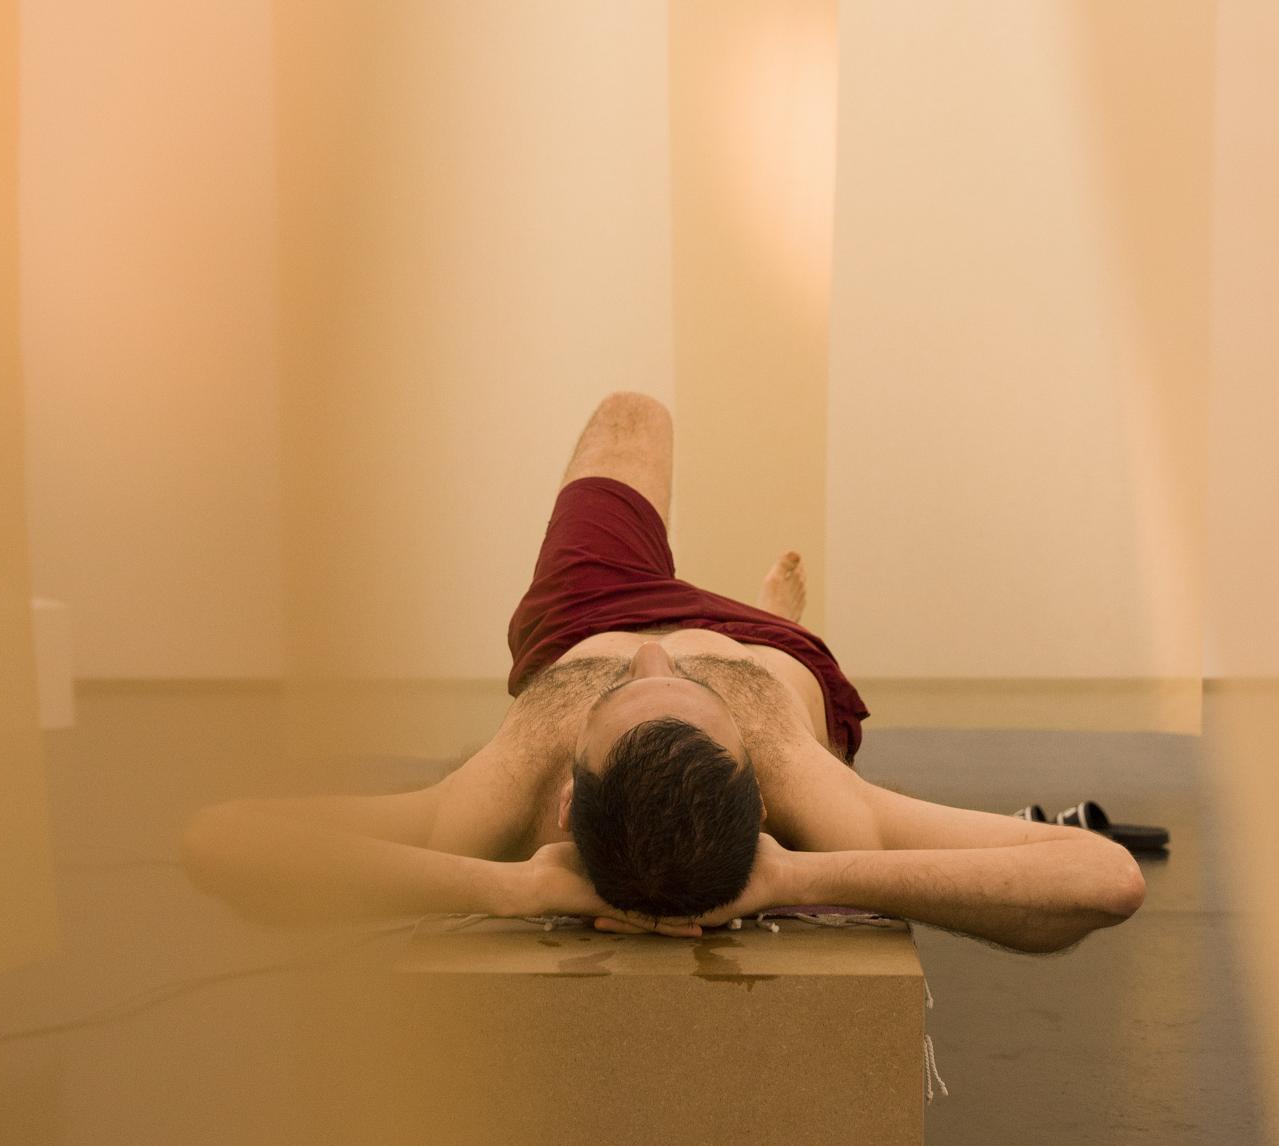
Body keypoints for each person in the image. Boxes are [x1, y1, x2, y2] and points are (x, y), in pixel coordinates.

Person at [184, 393, 1144, 953]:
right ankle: (770, 625)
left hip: (589, 614)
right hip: (768, 659)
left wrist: (514, 889)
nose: (662, 652)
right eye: (685, 687)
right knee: (756, 646)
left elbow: (223, 837)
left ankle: (752, 624)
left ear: (564, 799)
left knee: (631, 417)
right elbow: (1103, 880)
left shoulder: (494, 805)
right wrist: (788, 877)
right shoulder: (815, 799)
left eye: (626, 689)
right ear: (751, 780)